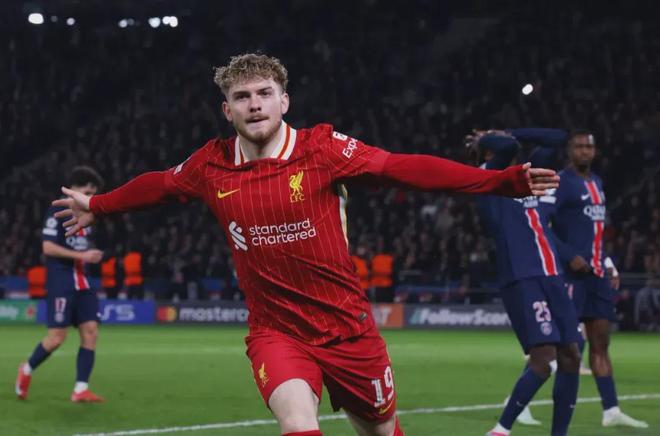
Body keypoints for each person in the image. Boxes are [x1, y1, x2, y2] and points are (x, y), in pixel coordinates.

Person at [52, 53, 558, 436]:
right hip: (278, 332)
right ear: (227, 109)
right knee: (298, 425)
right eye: (242, 97)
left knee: (382, 429)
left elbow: (403, 168)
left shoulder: (322, 149)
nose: (254, 104)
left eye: (264, 93)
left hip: (348, 330)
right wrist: (98, 205)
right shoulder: (211, 165)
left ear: (284, 101)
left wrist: (499, 181)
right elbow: (159, 185)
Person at [468, 129, 581, 436]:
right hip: (522, 276)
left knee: (571, 354)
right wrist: (490, 138)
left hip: (551, 274)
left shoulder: (525, 176)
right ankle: (500, 430)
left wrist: (511, 132)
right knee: (543, 360)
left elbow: (557, 138)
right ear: (487, 153)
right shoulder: (487, 178)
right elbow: (507, 146)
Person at [547, 130, 648, 428]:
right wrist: (568, 255)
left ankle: (611, 410)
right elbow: (541, 224)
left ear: (595, 151)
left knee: (601, 344)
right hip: (570, 276)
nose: (584, 151)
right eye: (579, 146)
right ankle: (519, 402)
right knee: (563, 349)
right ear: (570, 150)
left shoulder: (597, 184)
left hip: (597, 277)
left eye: (589, 147)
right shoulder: (561, 182)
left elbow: (597, 234)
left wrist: (608, 263)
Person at [16, 166, 105, 403]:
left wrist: (89, 255)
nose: (89, 196)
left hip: (84, 282)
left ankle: (80, 389)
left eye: (93, 193)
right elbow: (47, 247)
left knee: (91, 332)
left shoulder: (88, 216)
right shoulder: (56, 211)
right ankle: (26, 369)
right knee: (56, 338)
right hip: (62, 280)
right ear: (74, 189)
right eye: (87, 191)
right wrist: (82, 256)